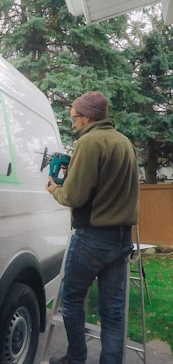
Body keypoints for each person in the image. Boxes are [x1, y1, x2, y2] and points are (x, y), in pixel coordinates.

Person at [45, 91, 139, 364]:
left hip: (92, 238)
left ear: (86, 116)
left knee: (72, 302)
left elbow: (73, 197)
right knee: (113, 311)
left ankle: (75, 359)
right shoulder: (125, 143)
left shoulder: (89, 142)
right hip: (122, 239)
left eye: (74, 117)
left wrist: (55, 189)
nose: (72, 123)